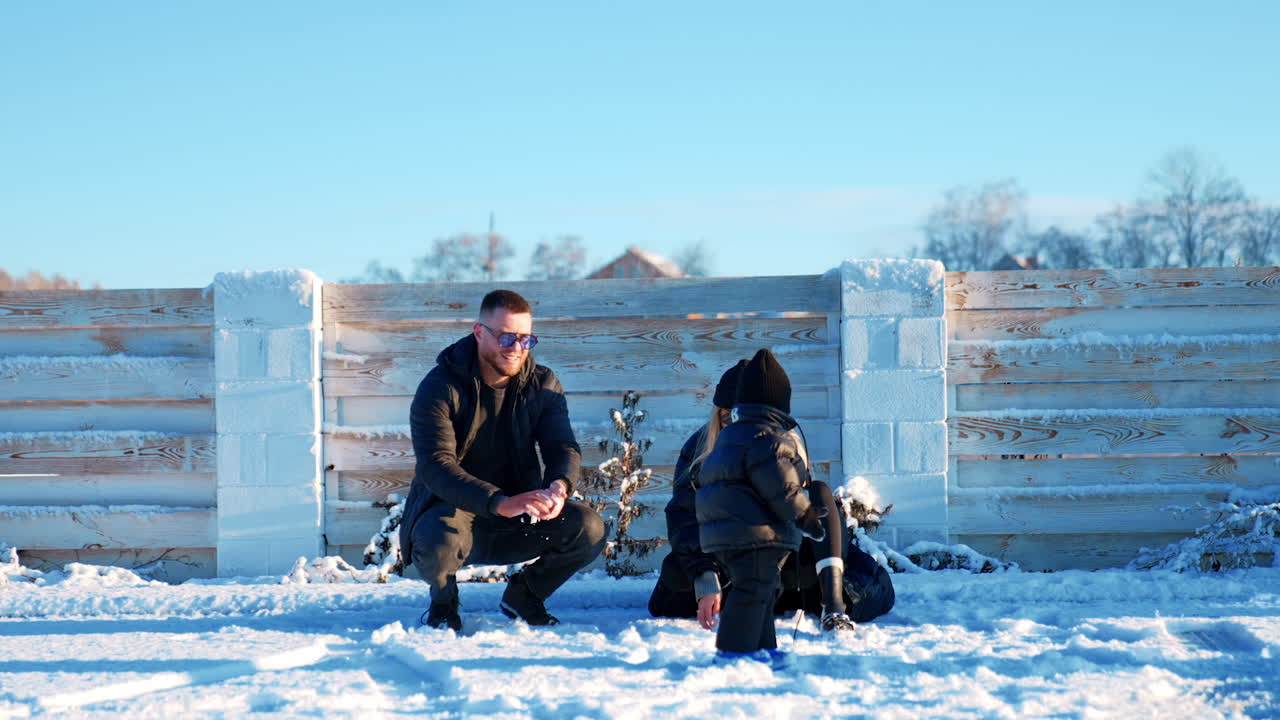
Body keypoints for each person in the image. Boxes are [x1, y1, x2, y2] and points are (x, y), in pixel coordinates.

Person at [398, 289, 606, 631]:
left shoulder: (543, 384)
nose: (517, 348)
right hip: (454, 512)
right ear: (480, 333)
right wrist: (497, 502)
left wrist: (559, 485)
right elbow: (435, 465)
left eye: (526, 339)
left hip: (520, 514)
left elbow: (561, 446)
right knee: (436, 541)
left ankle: (525, 595)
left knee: (590, 528)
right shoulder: (440, 386)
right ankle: (444, 606)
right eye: (507, 336)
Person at [649, 359, 894, 633]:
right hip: (726, 571)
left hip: (786, 573)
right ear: (718, 415)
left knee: (861, 572)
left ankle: (832, 603)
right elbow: (684, 523)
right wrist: (706, 579)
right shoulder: (700, 451)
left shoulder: (784, 447)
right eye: (729, 416)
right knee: (674, 585)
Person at [694, 348, 828, 663]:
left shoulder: (731, 437)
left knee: (764, 590)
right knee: (752, 591)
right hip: (754, 534)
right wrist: (806, 515)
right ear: (781, 402)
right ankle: (733, 653)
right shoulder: (770, 440)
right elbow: (783, 489)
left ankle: (764, 647)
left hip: (731, 535)